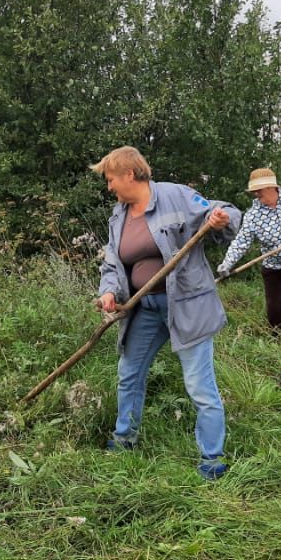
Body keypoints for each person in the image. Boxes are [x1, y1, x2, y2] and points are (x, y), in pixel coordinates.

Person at [93, 146, 241, 480]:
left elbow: (224, 210)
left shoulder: (177, 196)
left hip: (186, 306)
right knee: (129, 373)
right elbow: (112, 265)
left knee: (199, 385)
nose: (110, 187)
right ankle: (124, 438)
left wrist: (221, 218)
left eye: (111, 179)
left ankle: (212, 459)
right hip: (143, 309)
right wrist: (108, 291)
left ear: (129, 174)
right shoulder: (119, 217)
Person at [217, 168, 281, 334]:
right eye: (254, 191)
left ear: (271, 187)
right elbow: (241, 241)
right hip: (274, 264)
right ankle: (280, 339)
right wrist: (227, 263)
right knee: (274, 308)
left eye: (259, 190)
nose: (256, 194)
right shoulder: (253, 214)